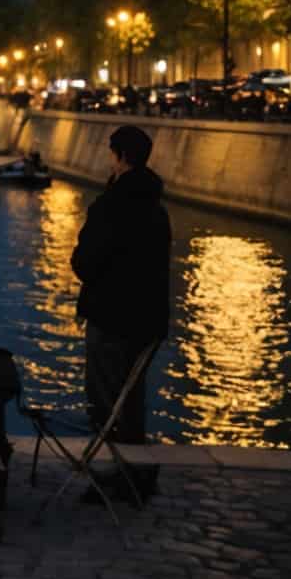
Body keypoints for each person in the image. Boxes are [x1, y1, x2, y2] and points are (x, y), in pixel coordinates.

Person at [70, 124, 171, 499]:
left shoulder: (110, 206)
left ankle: (119, 480)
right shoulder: (157, 209)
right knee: (132, 399)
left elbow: (86, 262)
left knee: (106, 399)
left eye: (109, 153)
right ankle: (135, 474)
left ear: (120, 157)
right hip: (147, 320)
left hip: (110, 316)